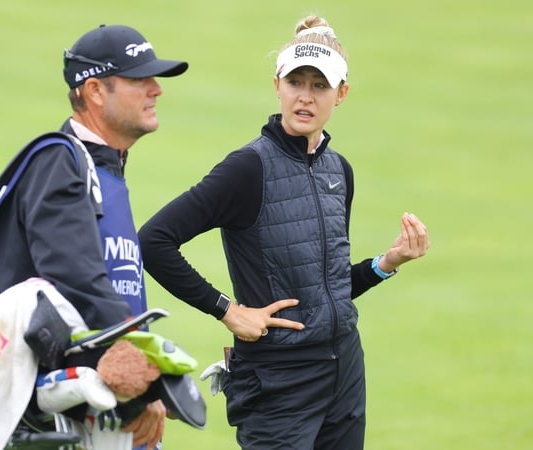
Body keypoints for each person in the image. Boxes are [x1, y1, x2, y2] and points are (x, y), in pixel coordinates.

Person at [138, 15, 429, 450]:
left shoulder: (338, 171)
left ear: (341, 94)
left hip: (344, 371)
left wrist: (385, 265)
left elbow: (326, 292)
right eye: (296, 83)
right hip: (278, 384)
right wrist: (228, 311)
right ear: (277, 85)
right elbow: (154, 240)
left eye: (319, 86)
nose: (305, 97)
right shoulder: (246, 169)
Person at [0, 24, 188, 450]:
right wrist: (141, 381)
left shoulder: (103, 169)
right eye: (138, 79)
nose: (156, 90)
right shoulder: (61, 161)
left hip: (89, 409)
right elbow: (76, 279)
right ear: (94, 91)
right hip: (48, 418)